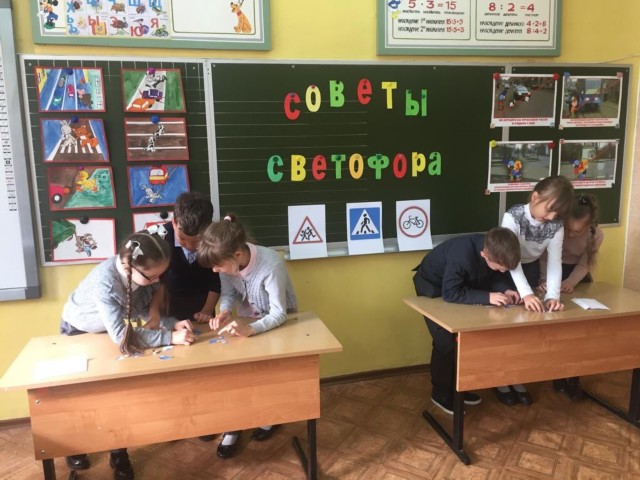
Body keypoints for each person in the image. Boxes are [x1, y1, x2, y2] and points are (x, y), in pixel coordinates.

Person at [60, 231, 196, 480]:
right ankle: (76, 445)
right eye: (151, 276)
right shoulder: (106, 281)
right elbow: (123, 336)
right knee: (83, 395)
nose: (157, 281)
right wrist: (170, 337)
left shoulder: (142, 274)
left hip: (109, 331)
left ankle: (118, 451)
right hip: (80, 329)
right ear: (128, 265)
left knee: (117, 394)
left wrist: (172, 323)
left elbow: (142, 310)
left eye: (160, 275)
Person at [198, 214, 297, 459]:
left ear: (237, 255)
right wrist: (224, 311)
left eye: (218, 266)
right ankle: (234, 426)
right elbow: (229, 293)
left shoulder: (270, 264)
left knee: (269, 374)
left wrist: (251, 329)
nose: (215, 270)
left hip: (278, 323)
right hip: (247, 321)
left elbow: (279, 313)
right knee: (238, 375)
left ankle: (269, 418)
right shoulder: (226, 263)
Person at [412, 227, 521, 415]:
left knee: (465, 342)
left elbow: (496, 275)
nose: (503, 271)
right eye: (499, 267)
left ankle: (458, 389)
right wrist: (487, 297)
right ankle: (440, 393)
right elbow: (450, 293)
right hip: (433, 289)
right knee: (445, 343)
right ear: (484, 254)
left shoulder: (496, 250)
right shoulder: (461, 255)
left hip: (461, 288)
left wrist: (506, 289)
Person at [496, 175, 575, 406]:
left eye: (557, 214)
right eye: (549, 210)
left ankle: (518, 378)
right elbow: (511, 260)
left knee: (525, 329)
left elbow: (555, 261)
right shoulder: (513, 216)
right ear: (535, 197)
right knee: (504, 329)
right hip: (506, 270)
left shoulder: (556, 225)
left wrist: (552, 296)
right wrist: (527, 293)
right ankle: (500, 380)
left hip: (529, 270)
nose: (551, 217)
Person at [539, 193, 604, 400]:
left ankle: (573, 377)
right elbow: (544, 258)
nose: (571, 235)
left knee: (578, 330)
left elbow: (585, 264)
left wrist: (570, 283)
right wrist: (546, 281)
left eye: (578, 232)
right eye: (568, 229)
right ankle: (557, 373)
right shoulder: (554, 226)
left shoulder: (596, 234)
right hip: (550, 273)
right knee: (555, 327)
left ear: (589, 225)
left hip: (576, 278)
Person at [161, 192, 221, 324]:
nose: (190, 246)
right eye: (182, 239)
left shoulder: (213, 241)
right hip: (167, 307)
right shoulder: (161, 239)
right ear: (174, 223)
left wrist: (207, 311)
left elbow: (215, 281)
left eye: (197, 241)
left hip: (203, 308)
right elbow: (156, 283)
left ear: (209, 228)